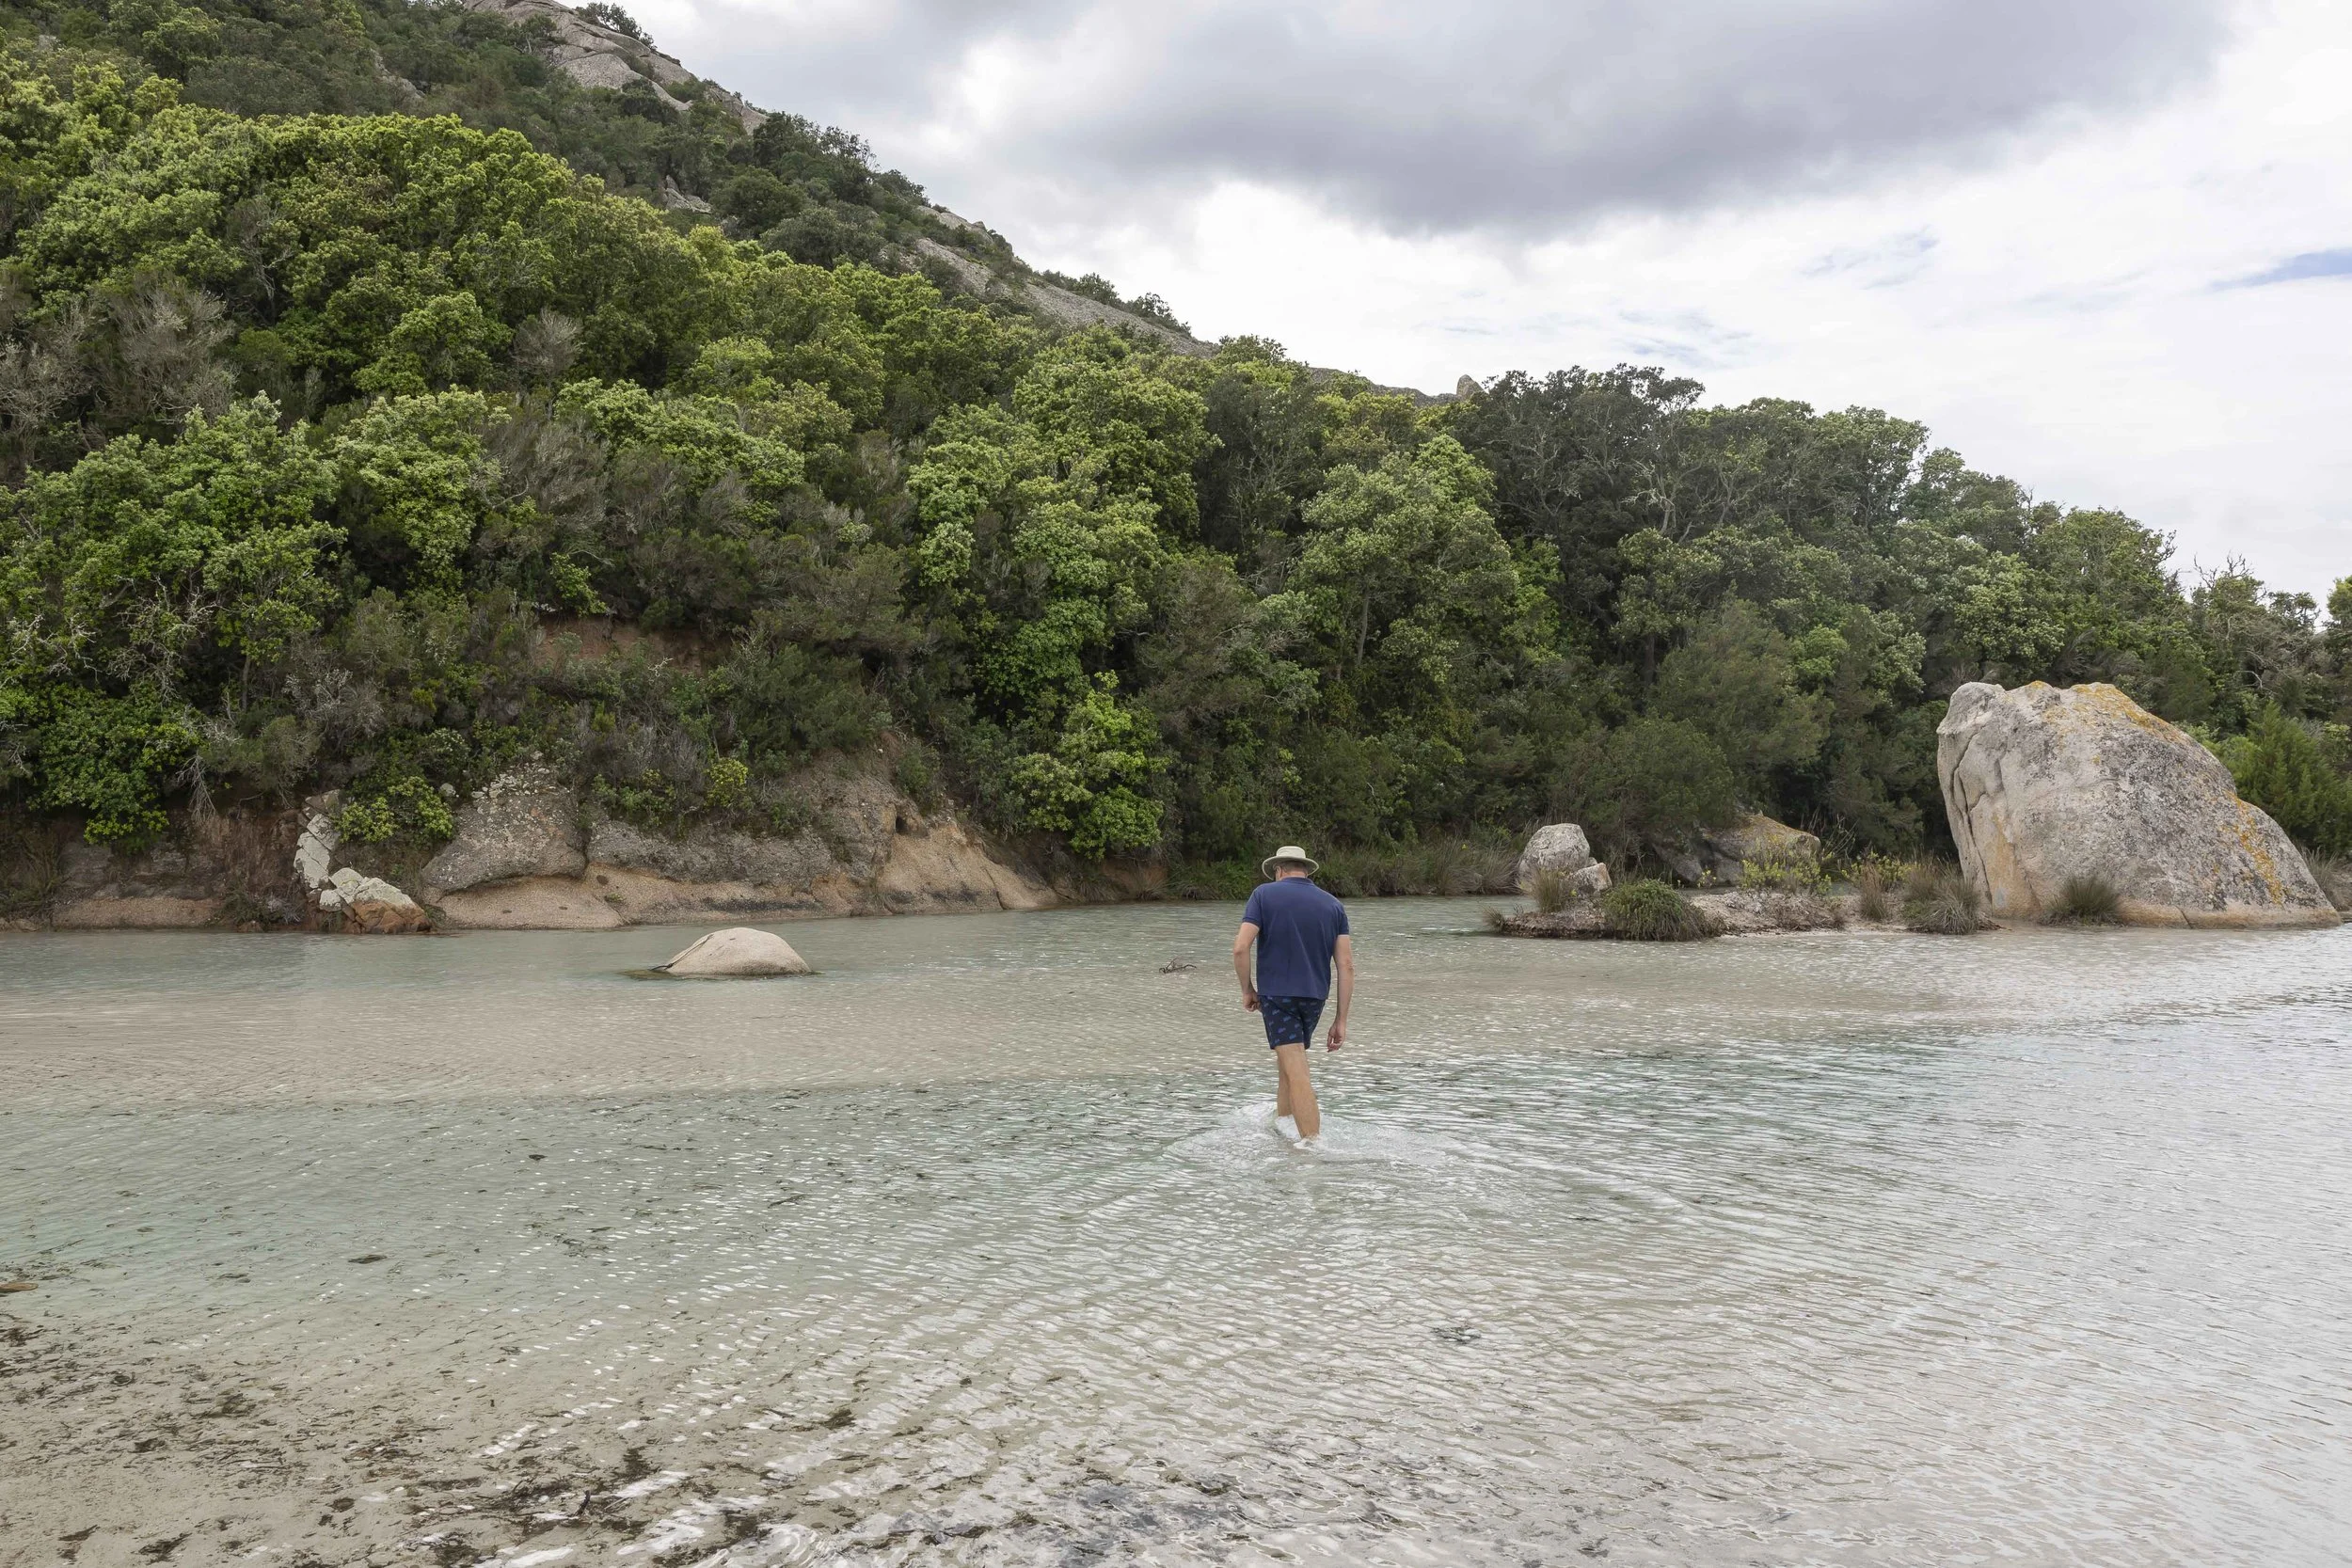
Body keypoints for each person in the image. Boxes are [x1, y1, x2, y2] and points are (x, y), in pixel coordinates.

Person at [1232, 845, 1353, 1144]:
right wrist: (1341, 1020)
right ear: (1306, 871)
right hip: (1315, 997)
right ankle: (1283, 1132)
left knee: (1296, 1069)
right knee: (1287, 1066)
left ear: (1278, 870)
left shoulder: (1263, 895)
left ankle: (1312, 1146)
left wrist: (1247, 989)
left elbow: (1240, 948)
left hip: (1277, 996)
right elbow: (1346, 966)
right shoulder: (1333, 905)